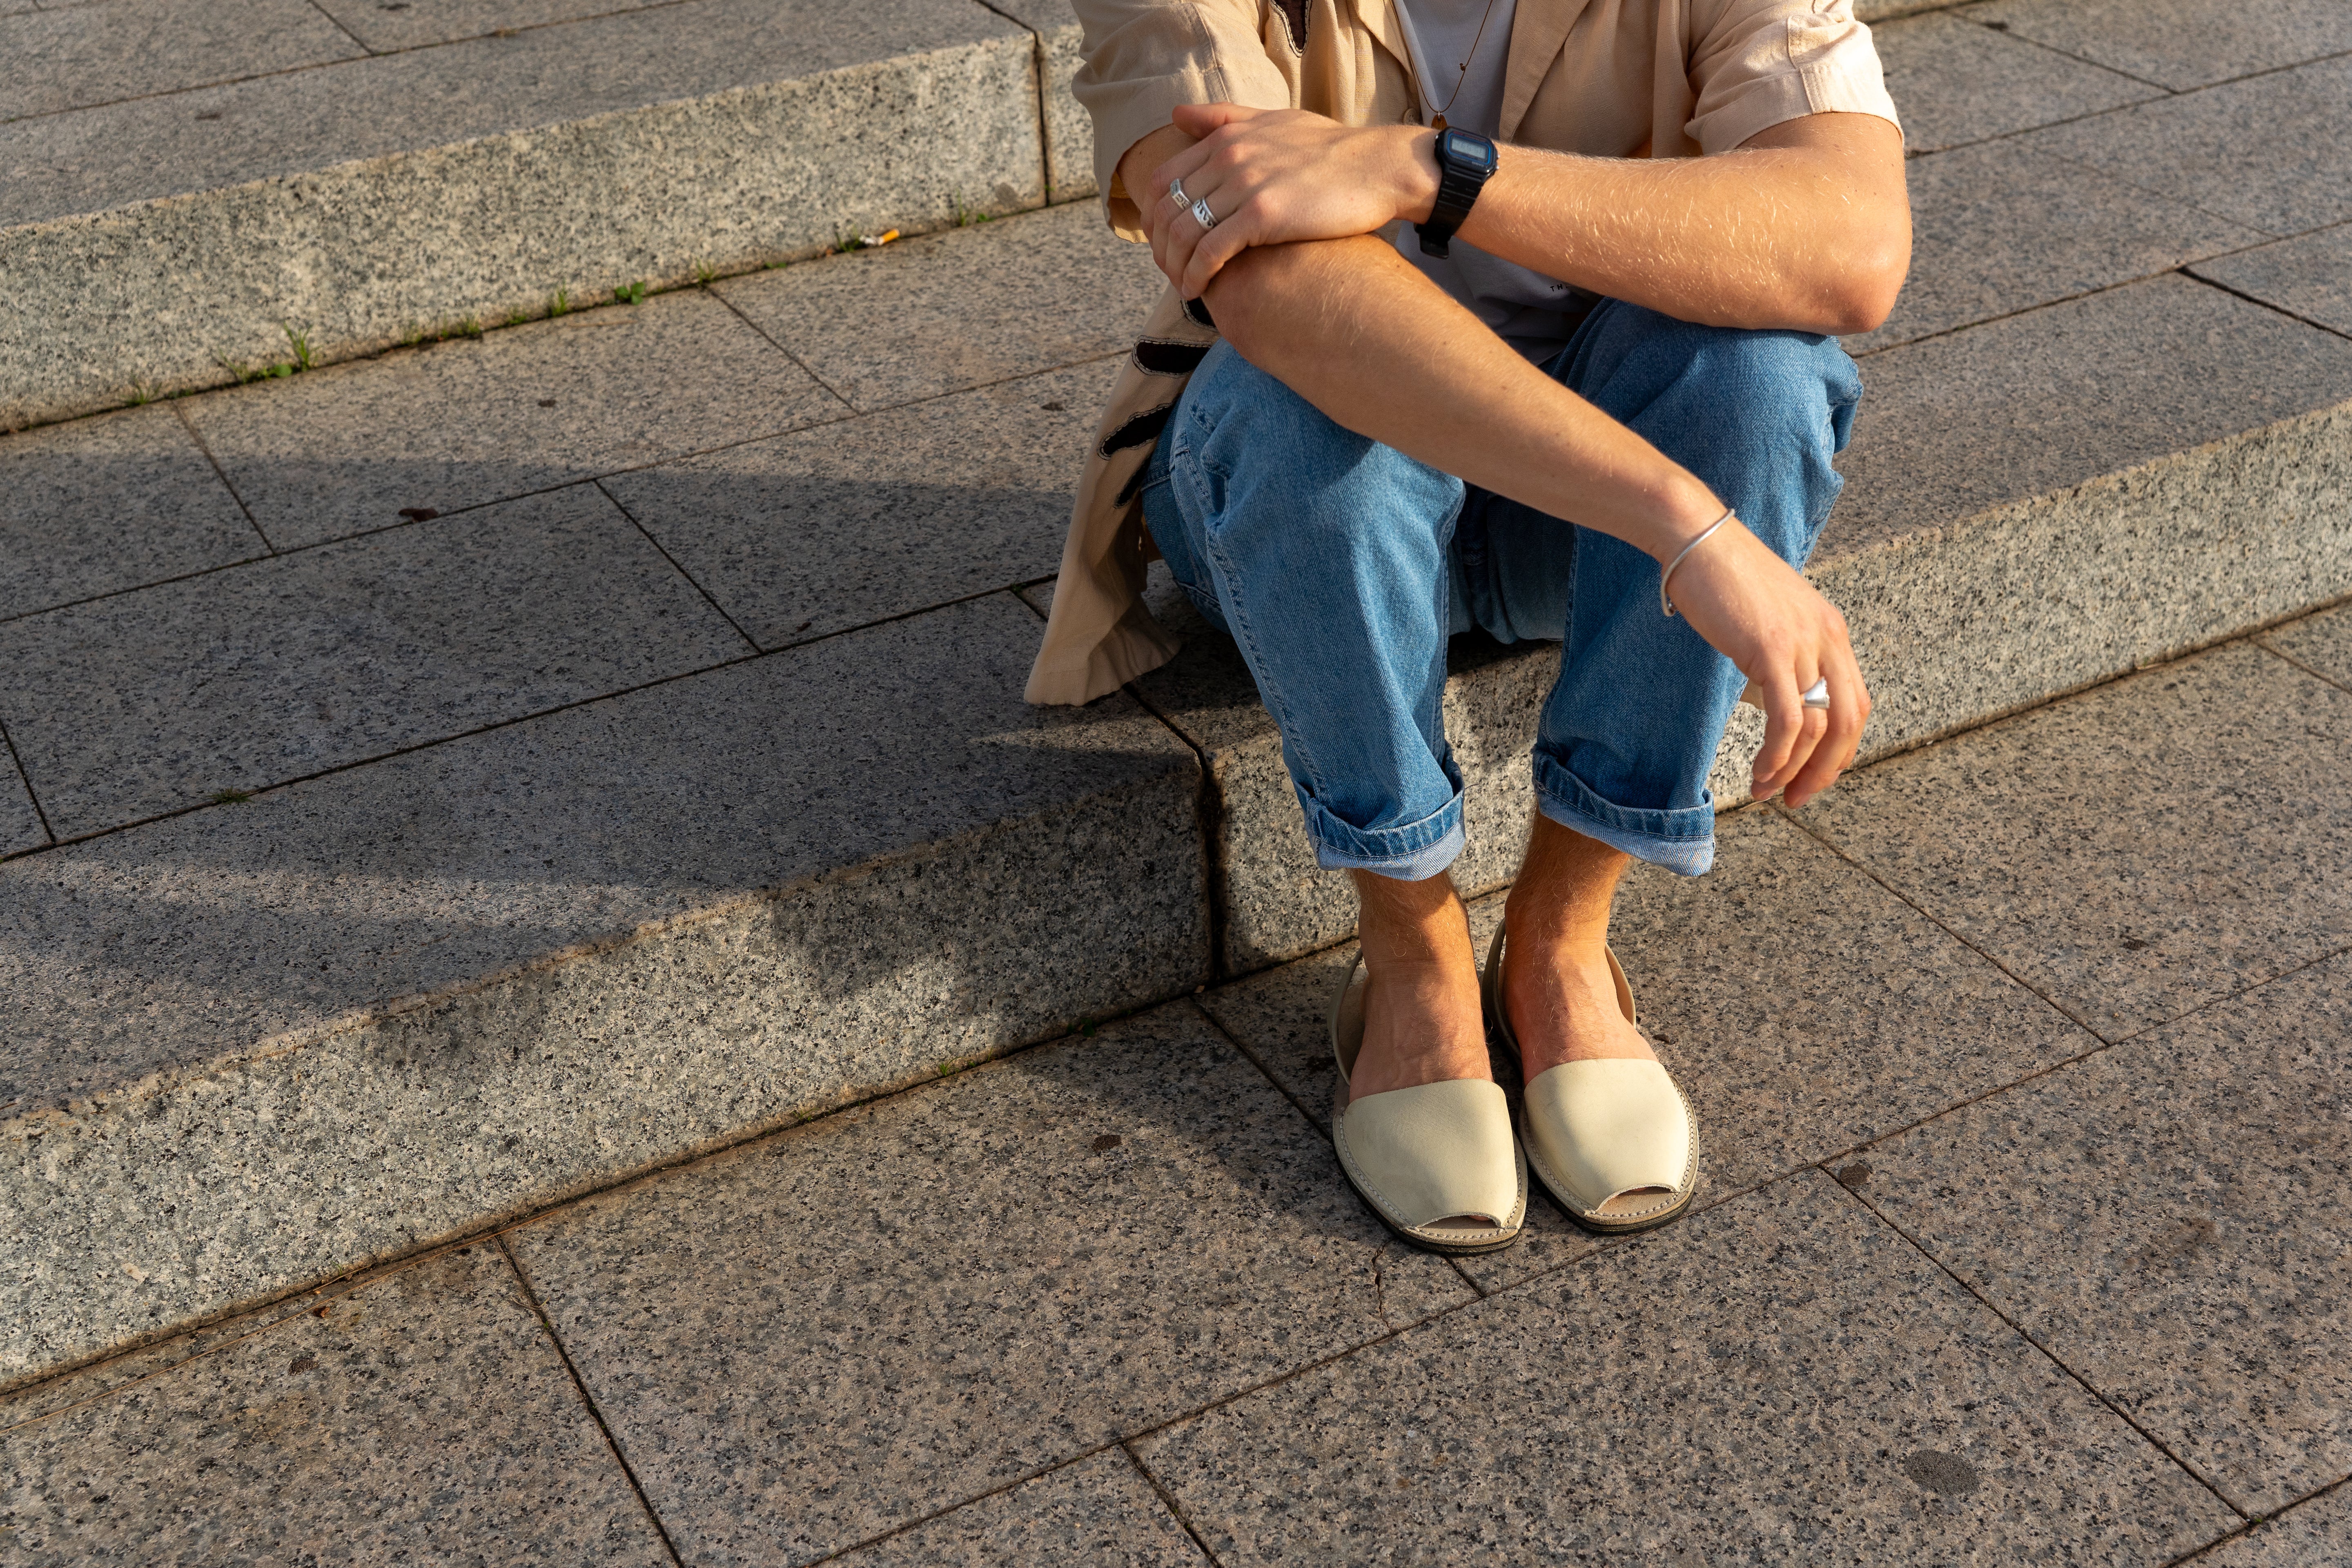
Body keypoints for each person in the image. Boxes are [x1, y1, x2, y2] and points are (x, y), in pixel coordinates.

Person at [1027, 0, 1909, 1253]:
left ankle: (1562, 936)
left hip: (1578, 525)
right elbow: (1272, 283)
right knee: (1309, 422)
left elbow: (1853, 243)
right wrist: (1683, 523)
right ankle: (1416, 953)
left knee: (1760, 385)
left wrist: (1424, 171)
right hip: (1306, 506)